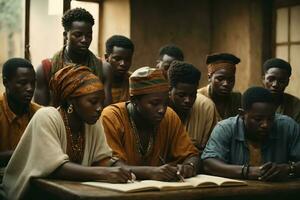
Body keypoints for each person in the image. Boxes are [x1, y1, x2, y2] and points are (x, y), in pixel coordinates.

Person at [2, 65, 132, 200]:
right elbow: (55, 167)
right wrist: (104, 173)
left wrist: (121, 168)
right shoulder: (47, 116)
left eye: (101, 102)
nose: (99, 108)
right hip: (29, 194)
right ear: (71, 100)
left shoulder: (91, 121)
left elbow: (102, 159)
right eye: (93, 102)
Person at [101, 67, 199, 181]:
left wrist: (188, 166)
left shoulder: (169, 115)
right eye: (154, 103)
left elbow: (192, 155)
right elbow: (114, 166)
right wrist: (151, 172)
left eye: (165, 103)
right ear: (134, 101)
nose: (162, 109)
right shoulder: (112, 117)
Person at [202, 87, 300, 181]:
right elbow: (209, 163)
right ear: (242, 114)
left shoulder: (288, 127)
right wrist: (248, 171)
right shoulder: (225, 128)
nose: (265, 124)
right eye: (258, 119)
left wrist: (289, 169)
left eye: (270, 118)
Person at [34, 7, 113, 107]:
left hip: (92, 122)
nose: (84, 40)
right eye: (78, 35)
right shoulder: (46, 69)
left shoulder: (104, 68)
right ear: (65, 35)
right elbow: (40, 111)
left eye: (88, 35)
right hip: (56, 121)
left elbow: (105, 112)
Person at [168, 61, 218, 152]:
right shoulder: (158, 111)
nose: (188, 100)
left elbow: (213, 152)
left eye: (192, 95)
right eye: (181, 95)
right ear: (169, 90)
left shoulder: (206, 108)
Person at [0, 58, 40, 168]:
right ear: (6, 82)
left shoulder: (39, 114)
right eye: (23, 83)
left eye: (33, 83)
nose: (30, 89)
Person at [198, 53, 241, 121]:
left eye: (230, 79)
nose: (226, 84)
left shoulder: (237, 99)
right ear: (209, 77)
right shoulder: (198, 98)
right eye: (220, 79)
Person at [262, 58, 300, 123]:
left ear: (287, 82)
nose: (275, 84)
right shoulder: (253, 102)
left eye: (281, 81)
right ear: (263, 79)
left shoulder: (296, 105)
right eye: (271, 79)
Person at [104, 35, 134, 103]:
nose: (123, 63)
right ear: (106, 57)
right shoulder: (95, 81)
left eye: (128, 59)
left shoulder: (134, 82)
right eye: (117, 59)